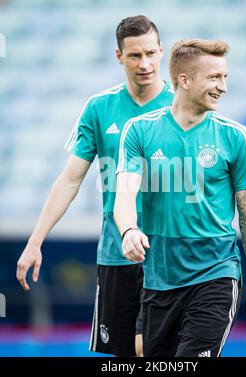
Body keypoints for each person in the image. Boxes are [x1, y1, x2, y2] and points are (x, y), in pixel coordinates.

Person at [16, 15, 174, 357]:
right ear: (119, 56)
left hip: (170, 256)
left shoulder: (182, 107)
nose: (144, 64)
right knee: (123, 355)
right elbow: (70, 179)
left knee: (153, 350)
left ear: (162, 51)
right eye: (134, 56)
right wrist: (35, 240)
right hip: (117, 254)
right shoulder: (100, 108)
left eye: (150, 53)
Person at [114, 39, 246, 357]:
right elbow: (125, 196)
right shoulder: (139, 131)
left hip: (215, 275)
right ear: (184, 80)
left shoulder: (236, 137)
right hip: (157, 280)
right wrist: (128, 230)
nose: (223, 87)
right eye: (214, 77)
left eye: (225, 77)